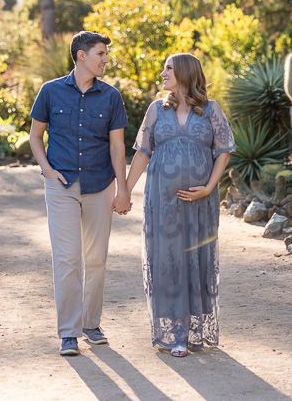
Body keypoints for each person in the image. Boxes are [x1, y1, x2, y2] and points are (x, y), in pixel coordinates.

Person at [124, 53, 235, 357]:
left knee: (197, 259)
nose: (163, 73)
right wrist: (125, 190)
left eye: (168, 68)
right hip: (162, 201)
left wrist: (208, 188)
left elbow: (224, 150)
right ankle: (177, 334)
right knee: (168, 260)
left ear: (185, 72)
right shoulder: (156, 110)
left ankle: (192, 330)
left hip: (201, 203)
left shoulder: (211, 109)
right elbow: (142, 153)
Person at [29, 31, 129, 357]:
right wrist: (46, 168)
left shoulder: (111, 96)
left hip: (100, 185)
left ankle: (91, 324)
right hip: (62, 185)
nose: (106, 59)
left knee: (96, 258)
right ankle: (69, 332)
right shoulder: (50, 91)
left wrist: (123, 188)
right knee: (67, 258)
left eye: (106, 54)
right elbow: (35, 136)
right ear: (81, 55)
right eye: (101, 53)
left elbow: (117, 147)